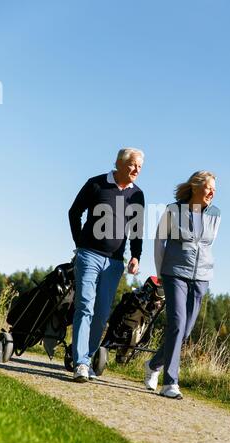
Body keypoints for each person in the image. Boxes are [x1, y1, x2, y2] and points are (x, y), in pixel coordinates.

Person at [69, 148, 145, 382]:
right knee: (84, 306)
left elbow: (137, 230)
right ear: (120, 163)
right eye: (132, 165)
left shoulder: (137, 194)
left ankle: (88, 356)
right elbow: (74, 212)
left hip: (114, 263)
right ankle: (80, 363)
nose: (136, 170)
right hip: (89, 255)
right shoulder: (97, 184)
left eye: (140, 167)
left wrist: (135, 256)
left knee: (101, 314)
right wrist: (80, 243)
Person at [144, 171, 221, 399]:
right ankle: (170, 383)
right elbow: (160, 241)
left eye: (214, 189)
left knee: (185, 331)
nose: (212, 192)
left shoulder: (216, 214)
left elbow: (209, 242)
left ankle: (153, 365)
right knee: (177, 323)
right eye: (209, 188)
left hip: (202, 277)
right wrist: (160, 275)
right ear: (196, 187)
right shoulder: (173, 210)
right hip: (174, 273)